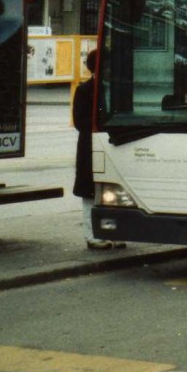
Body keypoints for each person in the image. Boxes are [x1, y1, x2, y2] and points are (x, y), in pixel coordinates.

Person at [73, 50, 124, 250]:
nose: (111, 70)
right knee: (90, 193)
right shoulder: (85, 90)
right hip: (91, 146)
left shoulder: (115, 88)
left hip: (112, 144)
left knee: (112, 190)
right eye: (108, 66)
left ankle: (111, 232)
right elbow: (80, 122)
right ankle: (92, 235)